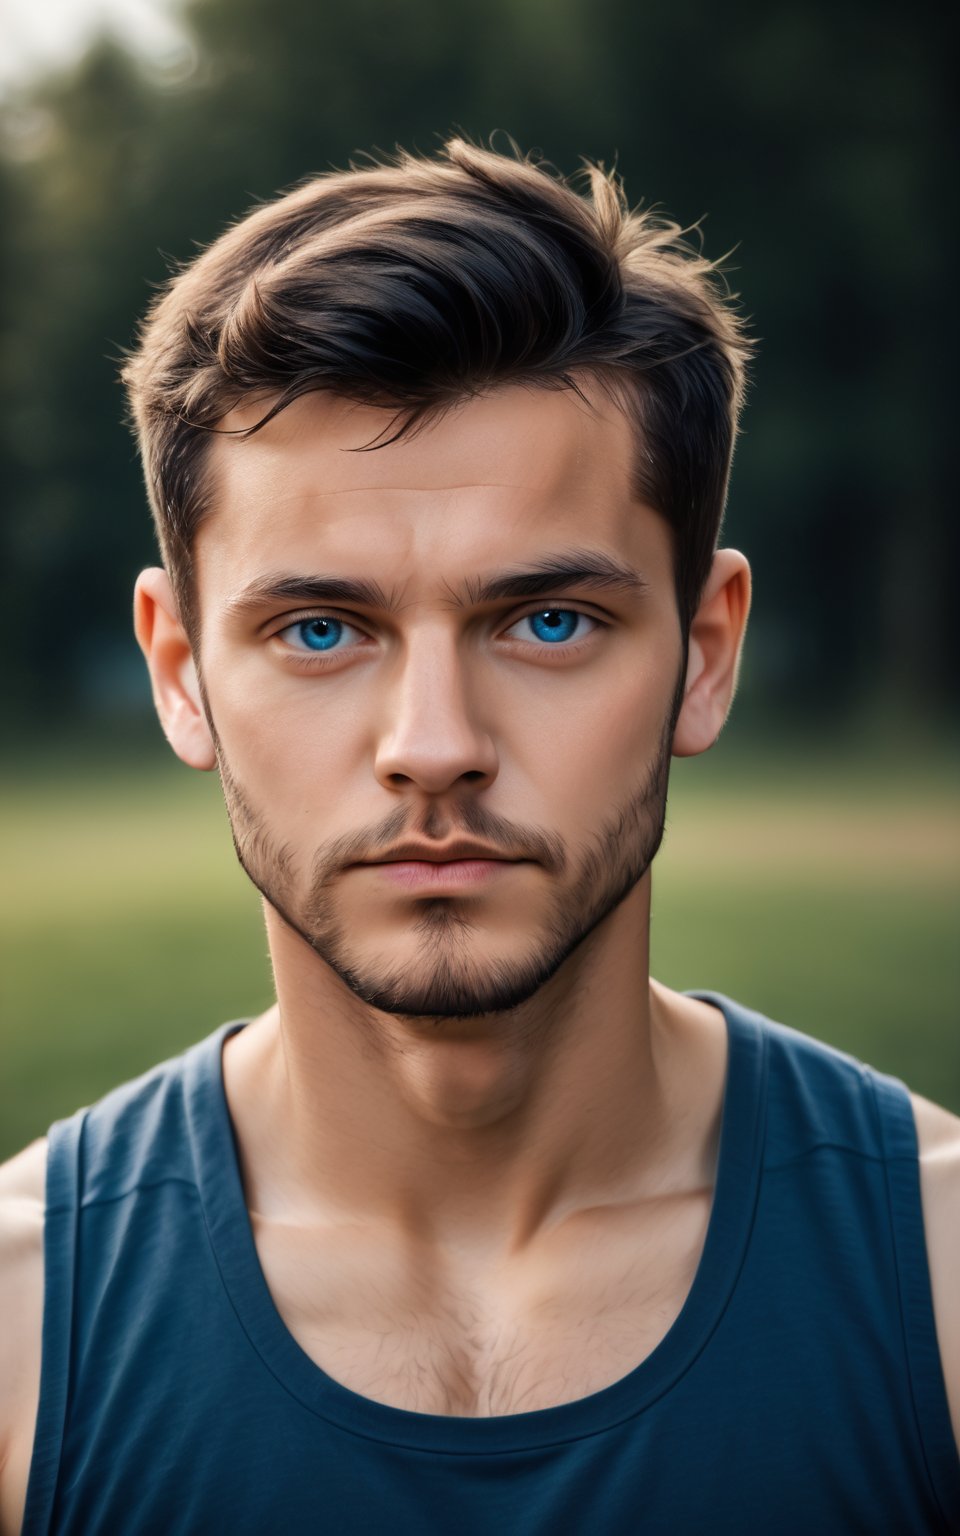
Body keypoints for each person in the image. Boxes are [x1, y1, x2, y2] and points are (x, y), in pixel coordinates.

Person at [1, 137, 958, 1536]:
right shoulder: (22, 1334)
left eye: (547, 621)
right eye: (320, 630)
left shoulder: (938, 1282)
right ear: (180, 670)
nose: (434, 742)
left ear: (703, 654)